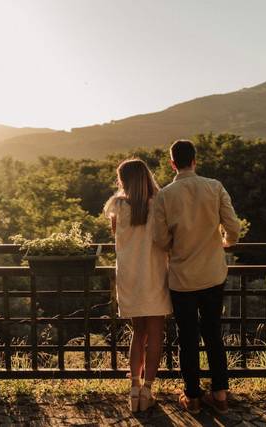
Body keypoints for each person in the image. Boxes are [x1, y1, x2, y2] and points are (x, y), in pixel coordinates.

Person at [152, 139, 240, 415]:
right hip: (213, 274)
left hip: (182, 279)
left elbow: (159, 239)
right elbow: (233, 226)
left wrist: (176, 245)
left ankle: (192, 398)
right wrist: (225, 242)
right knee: (213, 334)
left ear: (172, 163)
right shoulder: (214, 187)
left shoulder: (165, 195)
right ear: (195, 160)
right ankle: (221, 395)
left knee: (187, 337)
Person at [104, 158, 173, 413]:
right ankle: (147, 390)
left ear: (123, 181)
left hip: (129, 276)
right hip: (155, 275)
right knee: (156, 334)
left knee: (138, 333)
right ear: (146, 177)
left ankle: (133, 388)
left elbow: (116, 236)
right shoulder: (159, 205)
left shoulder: (117, 207)